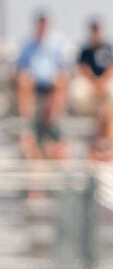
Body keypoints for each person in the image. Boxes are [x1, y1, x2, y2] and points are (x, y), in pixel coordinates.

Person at [70, 17, 113, 161]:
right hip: (91, 84)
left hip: (105, 84)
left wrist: (102, 83)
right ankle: (95, 108)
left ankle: (103, 108)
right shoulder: (85, 50)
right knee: (77, 89)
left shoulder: (108, 47)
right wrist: (95, 83)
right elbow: (82, 68)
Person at [14, 10, 69, 161]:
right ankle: (27, 117)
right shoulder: (27, 43)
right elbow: (20, 67)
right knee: (24, 81)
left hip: (51, 85)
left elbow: (63, 69)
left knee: (60, 82)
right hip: (33, 85)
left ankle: (52, 118)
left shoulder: (57, 43)